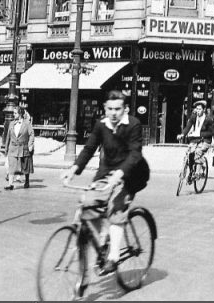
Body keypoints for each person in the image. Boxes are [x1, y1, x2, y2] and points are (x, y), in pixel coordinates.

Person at [62, 90, 150, 275]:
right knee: (88, 202)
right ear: (105, 108)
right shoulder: (101, 125)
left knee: (116, 207)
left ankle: (113, 258)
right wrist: (73, 169)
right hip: (107, 173)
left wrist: (120, 173)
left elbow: (135, 153)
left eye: (118, 109)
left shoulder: (133, 124)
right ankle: (102, 240)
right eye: (110, 109)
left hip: (131, 174)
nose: (114, 113)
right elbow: (89, 149)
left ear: (125, 109)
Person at [177, 100, 214, 174]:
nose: (198, 111)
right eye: (197, 109)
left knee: (198, 152)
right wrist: (182, 134)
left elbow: (211, 132)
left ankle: (197, 173)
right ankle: (191, 172)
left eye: (199, 109)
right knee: (190, 154)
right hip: (195, 139)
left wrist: (200, 134)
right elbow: (188, 126)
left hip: (205, 140)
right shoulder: (193, 117)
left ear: (204, 110)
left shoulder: (208, 119)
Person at [2, 106, 35, 190]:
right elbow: (8, 137)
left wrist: (30, 144)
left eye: (15, 113)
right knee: (11, 165)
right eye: (13, 113)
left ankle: (27, 180)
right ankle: (10, 184)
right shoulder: (11, 123)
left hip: (23, 147)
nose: (13, 115)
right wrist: (6, 148)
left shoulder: (27, 123)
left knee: (25, 165)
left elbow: (31, 134)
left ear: (20, 114)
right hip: (13, 148)